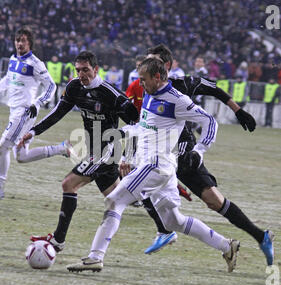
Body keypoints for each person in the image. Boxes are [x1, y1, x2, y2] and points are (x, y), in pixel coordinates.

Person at [66, 58, 240, 273]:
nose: (141, 83)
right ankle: (226, 245)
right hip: (161, 167)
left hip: (154, 165)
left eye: (144, 79)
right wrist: (123, 133)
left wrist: (199, 151)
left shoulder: (177, 100)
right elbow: (144, 126)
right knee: (174, 221)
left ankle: (94, 257)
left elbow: (209, 122)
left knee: (113, 201)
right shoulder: (150, 94)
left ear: (157, 77)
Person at [125, 44, 273, 266]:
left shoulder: (182, 84)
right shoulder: (147, 88)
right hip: (158, 155)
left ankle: (261, 236)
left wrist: (238, 110)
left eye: (152, 62)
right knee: (137, 185)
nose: (145, 67)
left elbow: (214, 89)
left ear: (165, 66)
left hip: (184, 156)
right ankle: (163, 230)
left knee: (214, 201)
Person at [18, 51, 139, 252]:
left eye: (86, 70)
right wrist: (33, 131)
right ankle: (159, 214)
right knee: (116, 200)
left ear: (96, 69)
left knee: (69, 184)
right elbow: (58, 112)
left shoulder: (112, 95)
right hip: (94, 150)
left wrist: (129, 156)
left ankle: (58, 240)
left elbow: (137, 124)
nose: (82, 74)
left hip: (107, 151)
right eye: (78, 70)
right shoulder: (75, 87)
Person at [0, 27, 70, 200]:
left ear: (29, 43)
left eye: (23, 40)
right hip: (15, 111)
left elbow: (51, 86)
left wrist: (38, 102)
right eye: (17, 40)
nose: (19, 43)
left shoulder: (35, 63)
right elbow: (7, 80)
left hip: (24, 112)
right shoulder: (13, 59)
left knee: (3, 147)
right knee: (21, 156)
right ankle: (60, 149)